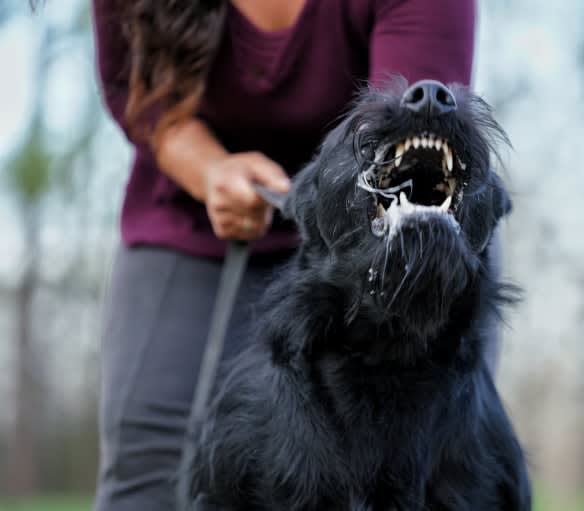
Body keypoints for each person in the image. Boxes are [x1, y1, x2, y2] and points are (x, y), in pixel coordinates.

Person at [91, 0, 478, 509]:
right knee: (150, 473)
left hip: (388, 235)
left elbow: (414, 138)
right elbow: (138, 94)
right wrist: (209, 171)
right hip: (188, 226)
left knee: (424, 481)